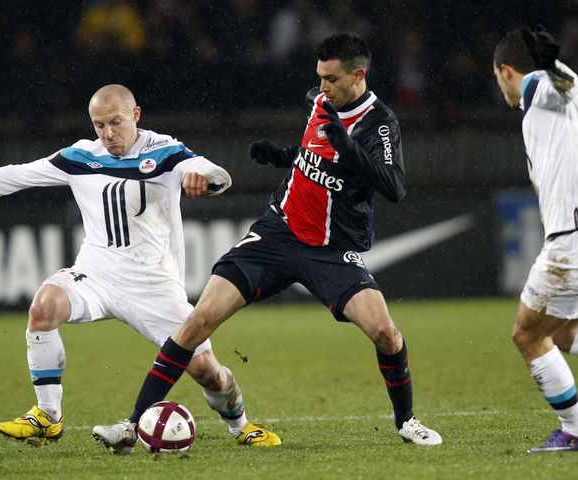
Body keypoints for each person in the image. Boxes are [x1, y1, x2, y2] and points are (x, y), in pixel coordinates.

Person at [93, 33, 442, 449]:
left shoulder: (379, 122)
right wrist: (282, 155)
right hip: (275, 234)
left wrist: (347, 145)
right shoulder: (320, 102)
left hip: (330, 250)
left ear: (358, 75)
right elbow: (313, 153)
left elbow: (394, 186)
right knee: (198, 320)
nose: (323, 86)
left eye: (331, 78)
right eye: (320, 77)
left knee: (386, 333)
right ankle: (131, 426)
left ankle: (407, 421)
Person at [0, 84, 280, 453]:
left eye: (115, 122)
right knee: (44, 306)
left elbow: (214, 173)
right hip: (96, 273)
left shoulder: (164, 151)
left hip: (153, 284)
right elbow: (19, 174)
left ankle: (241, 426)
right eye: (99, 125)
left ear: (136, 115)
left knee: (206, 371)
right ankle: (47, 416)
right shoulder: (80, 156)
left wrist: (206, 179)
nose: (108, 133)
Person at [493, 27, 578, 453]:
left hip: (577, 239)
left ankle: (577, 432)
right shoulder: (577, 113)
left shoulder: (546, 91)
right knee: (564, 333)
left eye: (498, 77)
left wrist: (551, 64)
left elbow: (559, 84)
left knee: (527, 336)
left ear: (506, 70)